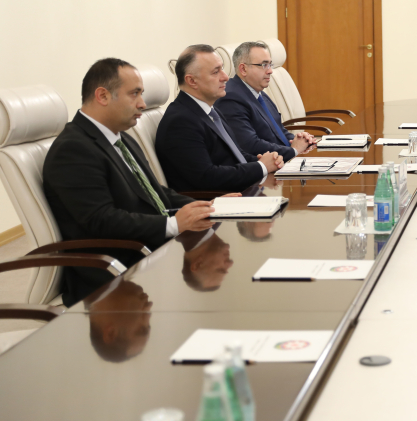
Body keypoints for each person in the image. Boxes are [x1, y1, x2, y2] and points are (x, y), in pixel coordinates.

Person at [43, 58, 215, 305]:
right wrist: (173, 225)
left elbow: (155, 193)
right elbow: (101, 219)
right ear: (102, 96)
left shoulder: (121, 138)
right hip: (113, 274)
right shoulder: (73, 149)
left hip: (149, 252)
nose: (142, 104)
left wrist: (209, 207)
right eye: (134, 94)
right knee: (210, 286)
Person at [156, 45, 284, 193]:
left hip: (241, 191)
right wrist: (261, 166)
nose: (225, 77)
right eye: (216, 72)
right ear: (192, 81)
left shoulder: (210, 110)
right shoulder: (180, 122)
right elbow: (206, 177)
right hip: (216, 201)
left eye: (222, 69)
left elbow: (236, 154)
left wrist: (265, 160)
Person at [214, 41, 317, 161]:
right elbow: (250, 145)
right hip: (263, 167)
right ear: (243, 69)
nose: (270, 71)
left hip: (281, 160)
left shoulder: (259, 93)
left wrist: (297, 139)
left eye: (270, 65)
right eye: (264, 65)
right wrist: (294, 150)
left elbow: (278, 130)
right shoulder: (230, 98)